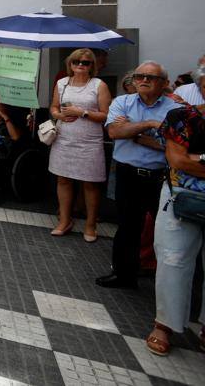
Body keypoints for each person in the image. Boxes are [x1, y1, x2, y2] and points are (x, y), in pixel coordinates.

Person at [96, 61, 181, 289]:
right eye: (139, 76)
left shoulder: (174, 109)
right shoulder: (122, 102)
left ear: (163, 83)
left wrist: (135, 132)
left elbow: (173, 147)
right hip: (128, 174)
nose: (143, 80)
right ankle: (124, 275)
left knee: (167, 230)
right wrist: (151, 124)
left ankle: (171, 283)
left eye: (150, 77)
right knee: (127, 226)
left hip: (161, 177)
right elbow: (114, 131)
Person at [143, 96, 205, 356]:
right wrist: (190, 157)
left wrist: (197, 156)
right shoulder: (183, 117)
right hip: (181, 200)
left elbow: (190, 159)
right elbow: (179, 160)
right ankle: (164, 325)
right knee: (173, 258)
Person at [48, 48, 112, 239]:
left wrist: (82, 112)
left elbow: (106, 115)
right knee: (63, 180)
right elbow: (53, 106)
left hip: (89, 142)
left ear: (92, 65)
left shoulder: (99, 85)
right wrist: (58, 114)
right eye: (77, 62)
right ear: (70, 64)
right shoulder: (62, 83)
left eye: (86, 63)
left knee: (90, 184)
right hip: (64, 139)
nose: (81, 66)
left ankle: (91, 225)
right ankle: (64, 221)